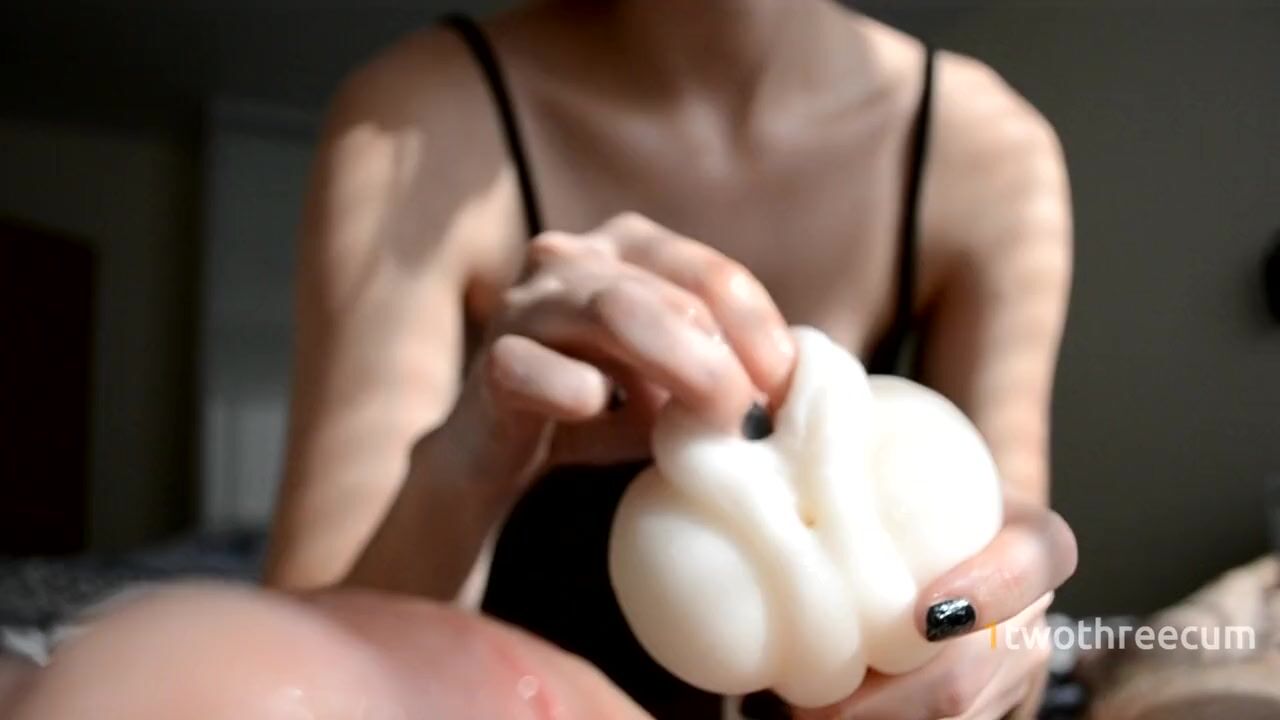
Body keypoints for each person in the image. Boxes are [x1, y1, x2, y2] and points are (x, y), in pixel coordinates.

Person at [266, 0, 1079, 717]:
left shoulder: (987, 155)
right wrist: (467, 475)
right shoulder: (419, 127)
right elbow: (290, 678)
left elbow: (1013, 642)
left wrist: (988, 650)